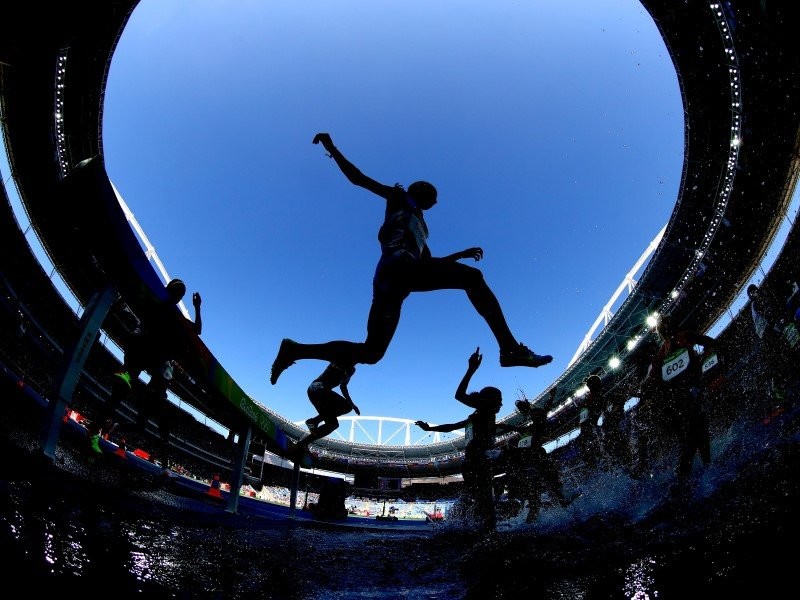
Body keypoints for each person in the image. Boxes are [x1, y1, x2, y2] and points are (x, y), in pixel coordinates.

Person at [270, 133, 552, 385]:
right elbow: (359, 178)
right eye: (434, 197)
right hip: (397, 265)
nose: (437, 203)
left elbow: (431, 265)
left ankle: (296, 350)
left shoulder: (420, 229)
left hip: (394, 283)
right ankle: (510, 349)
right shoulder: (398, 197)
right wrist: (332, 148)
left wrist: (460, 255)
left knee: (371, 353)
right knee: (473, 278)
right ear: (422, 192)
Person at [102, 279, 202, 465]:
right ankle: (164, 465)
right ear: (179, 297)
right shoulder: (169, 313)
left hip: (142, 356)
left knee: (124, 399)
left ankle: (102, 427)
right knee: (128, 397)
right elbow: (197, 329)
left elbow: (195, 330)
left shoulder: (162, 308)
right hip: (145, 359)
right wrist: (197, 307)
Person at [415, 347, 503, 532]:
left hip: (471, 460)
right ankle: (487, 533)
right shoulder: (485, 411)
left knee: (475, 496)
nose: (502, 404)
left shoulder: (475, 417)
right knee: (485, 499)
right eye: (499, 399)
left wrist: (430, 428)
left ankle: (459, 526)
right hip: (479, 459)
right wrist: (471, 370)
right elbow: (459, 396)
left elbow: (450, 427)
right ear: (488, 400)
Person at [642, 314, 717, 491]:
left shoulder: (664, 351)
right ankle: (688, 477)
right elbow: (709, 342)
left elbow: (652, 381)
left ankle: (695, 473)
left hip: (679, 400)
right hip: (685, 398)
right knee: (696, 435)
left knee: (694, 436)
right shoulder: (677, 341)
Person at [498, 387, 573, 523]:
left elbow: (544, 410)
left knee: (543, 487)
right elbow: (529, 424)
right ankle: (559, 502)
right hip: (529, 459)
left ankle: (558, 503)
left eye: (521, 409)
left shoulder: (536, 418)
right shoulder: (530, 427)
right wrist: (508, 427)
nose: (522, 412)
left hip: (532, 458)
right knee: (543, 486)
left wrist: (551, 397)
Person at [291, 362, 360, 457]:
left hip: (322, 393)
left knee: (333, 424)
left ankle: (303, 443)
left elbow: (343, 386)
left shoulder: (352, 370)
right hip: (317, 388)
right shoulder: (341, 359)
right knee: (346, 406)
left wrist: (353, 404)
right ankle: (314, 421)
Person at [746, 283, 792, 410]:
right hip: (766, 335)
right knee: (779, 359)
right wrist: (779, 325)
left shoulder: (754, 304)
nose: (757, 293)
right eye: (754, 292)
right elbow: (768, 316)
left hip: (766, 335)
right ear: (752, 295)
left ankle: (778, 390)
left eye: (756, 290)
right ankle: (777, 392)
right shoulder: (756, 303)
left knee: (777, 360)